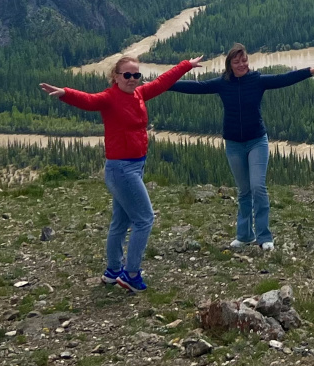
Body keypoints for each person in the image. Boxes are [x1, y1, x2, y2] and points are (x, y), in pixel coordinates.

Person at [39, 53, 201, 292]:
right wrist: (65, 93)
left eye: (136, 75)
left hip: (133, 167)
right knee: (144, 219)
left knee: (121, 221)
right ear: (115, 76)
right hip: (122, 169)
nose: (132, 79)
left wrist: (186, 65)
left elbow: (161, 82)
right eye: (127, 75)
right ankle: (131, 274)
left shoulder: (139, 93)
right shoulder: (109, 98)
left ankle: (114, 270)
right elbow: (89, 100)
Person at [170, 44, 314, 252]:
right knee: (244, 191)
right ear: (230, 64)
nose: (241, 64)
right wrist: (164, 84)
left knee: (258, 187)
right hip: (233, 144)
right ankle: (244, 235)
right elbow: (196, 87)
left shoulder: (257, 81)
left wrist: (309, 71)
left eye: (244, 60)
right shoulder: (222, 83)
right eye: (237, 61)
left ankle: (264, 236)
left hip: (257, 140)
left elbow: (283, 79)